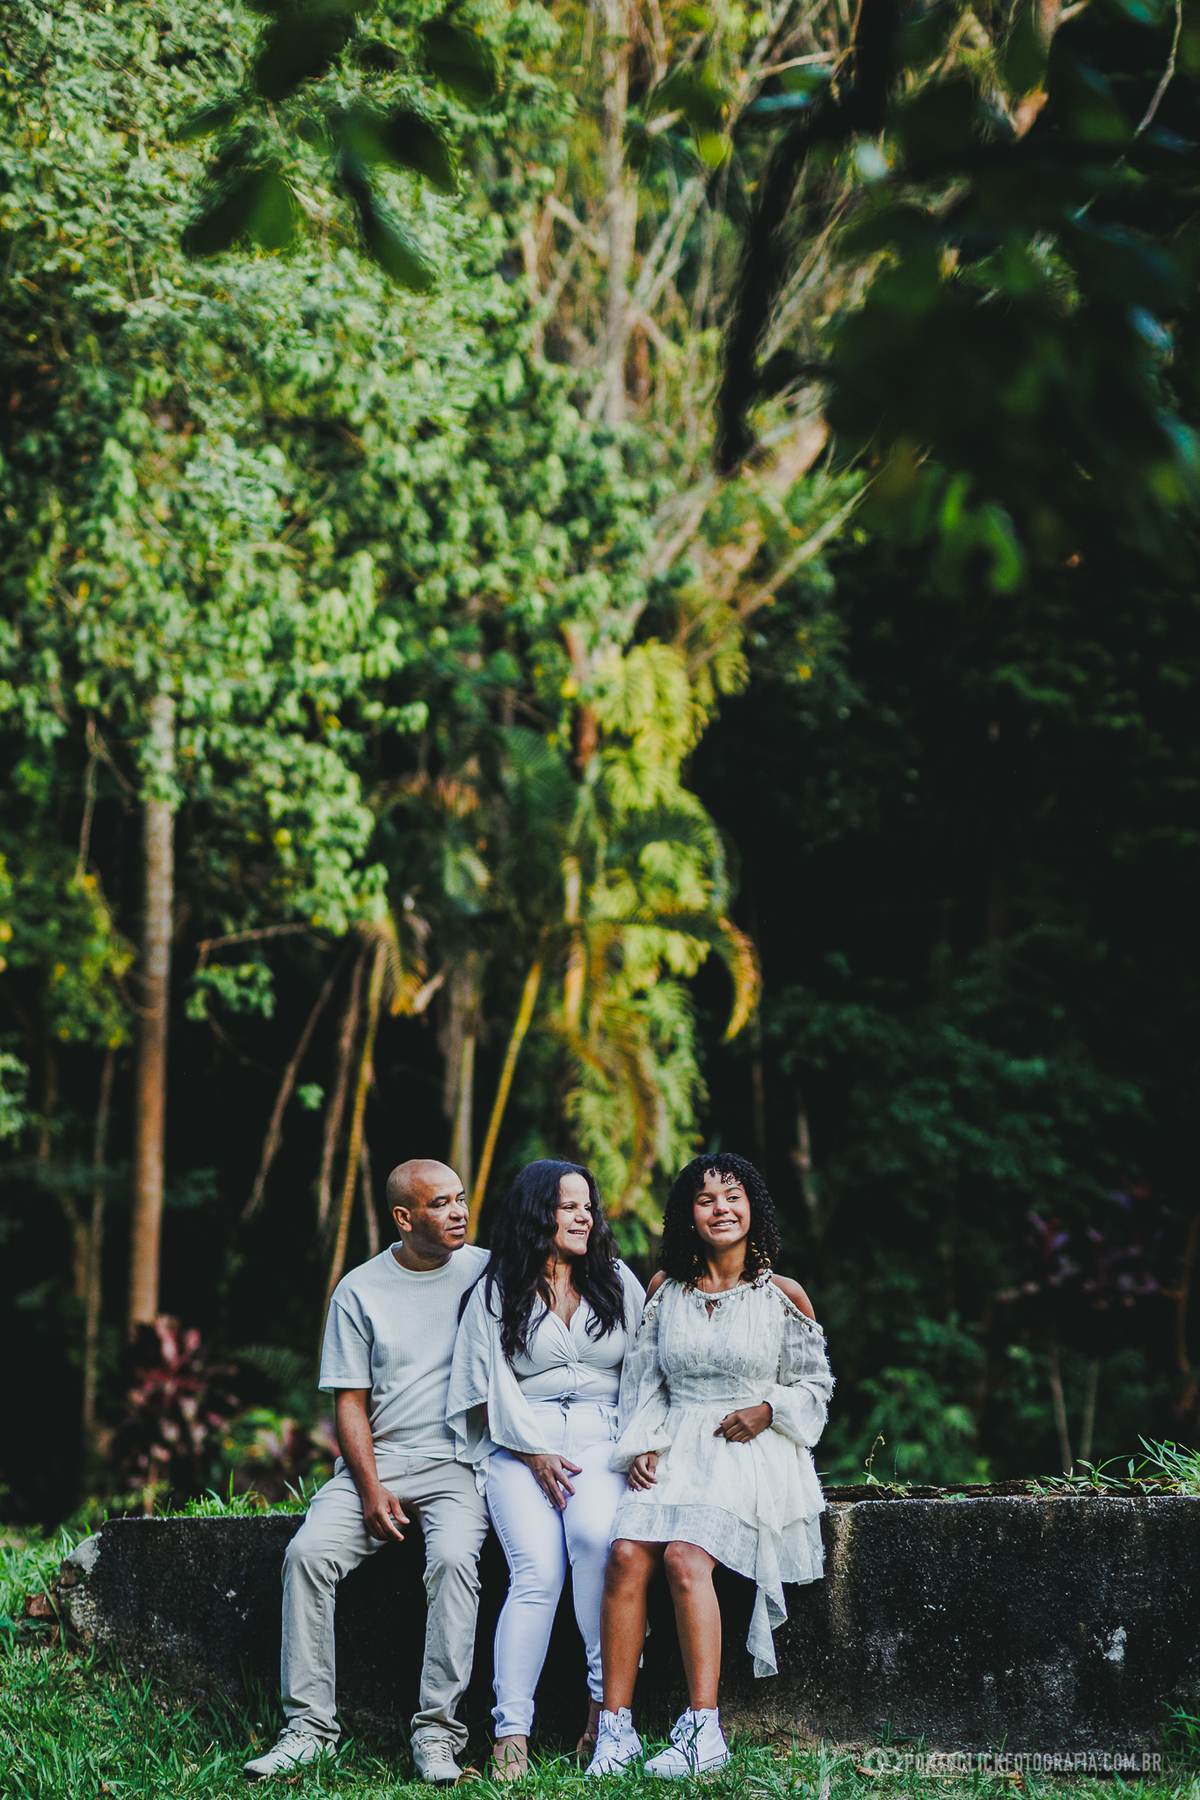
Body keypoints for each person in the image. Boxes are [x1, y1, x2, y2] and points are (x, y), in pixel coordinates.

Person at [586, 1151, 834, 1781]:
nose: (720, 1209)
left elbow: (815, 1387)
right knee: (625, 1554)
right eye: (705, 1199)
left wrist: (768, 1410)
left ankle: (704, 1730)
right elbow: (644, 1384)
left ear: (753, 1208)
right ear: (688, 1215)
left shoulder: (782, 1295)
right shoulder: (664, 1290)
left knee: (684, 1556)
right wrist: (642, 1443)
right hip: (676, 1446)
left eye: (732, 1196)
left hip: (750, 1449)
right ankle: (615, 1731)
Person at [243, 1159, 489, 1787]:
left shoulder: (488, 1273)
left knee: (455, 1561)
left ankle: (437, 1734)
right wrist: (371, 1487)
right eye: (441, 1203)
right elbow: (348, 1403)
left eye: (461, 1199)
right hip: (375, 1465)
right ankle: (309, 1731)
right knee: (306, 1555)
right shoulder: (359, 1290)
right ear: (404, 1217)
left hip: (458, 1465)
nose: (459, 1212)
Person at [447, 1159, 646, 1783]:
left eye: (588, 1206)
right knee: (535, 1571)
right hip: (519, 1442)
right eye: (568, 1207)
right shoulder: (497, 1288)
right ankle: (511, 1737)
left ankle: (604, 1716)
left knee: (596, 1544)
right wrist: (532, 1452)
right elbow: (483, 1383)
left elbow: (648, 1368)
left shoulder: (616, 1279)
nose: (584, 1217)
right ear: (539, 1214)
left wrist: (643, 1441)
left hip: (603, 1440)